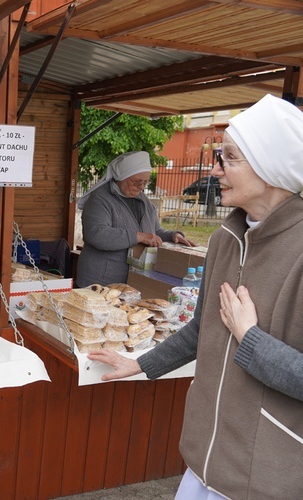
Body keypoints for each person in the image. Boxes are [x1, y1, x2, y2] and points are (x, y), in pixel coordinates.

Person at [87, 94, 303, 499]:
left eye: (230, 158)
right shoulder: (225, 239)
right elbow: (202, 328)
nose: (215, 169)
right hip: (204, 462)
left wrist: (250, 337)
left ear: (271, 166)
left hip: (267, 479)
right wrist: (141, 364)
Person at [76, 151, 195, 287]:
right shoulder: (100, 199)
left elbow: (154, 231)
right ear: (122, 176)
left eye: (145, 182)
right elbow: (96, 234)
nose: (142, 187)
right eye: (138, 182)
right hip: (99, 282)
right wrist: (137, 236)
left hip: (132, 283)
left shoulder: (143, 200)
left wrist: (172, 235)